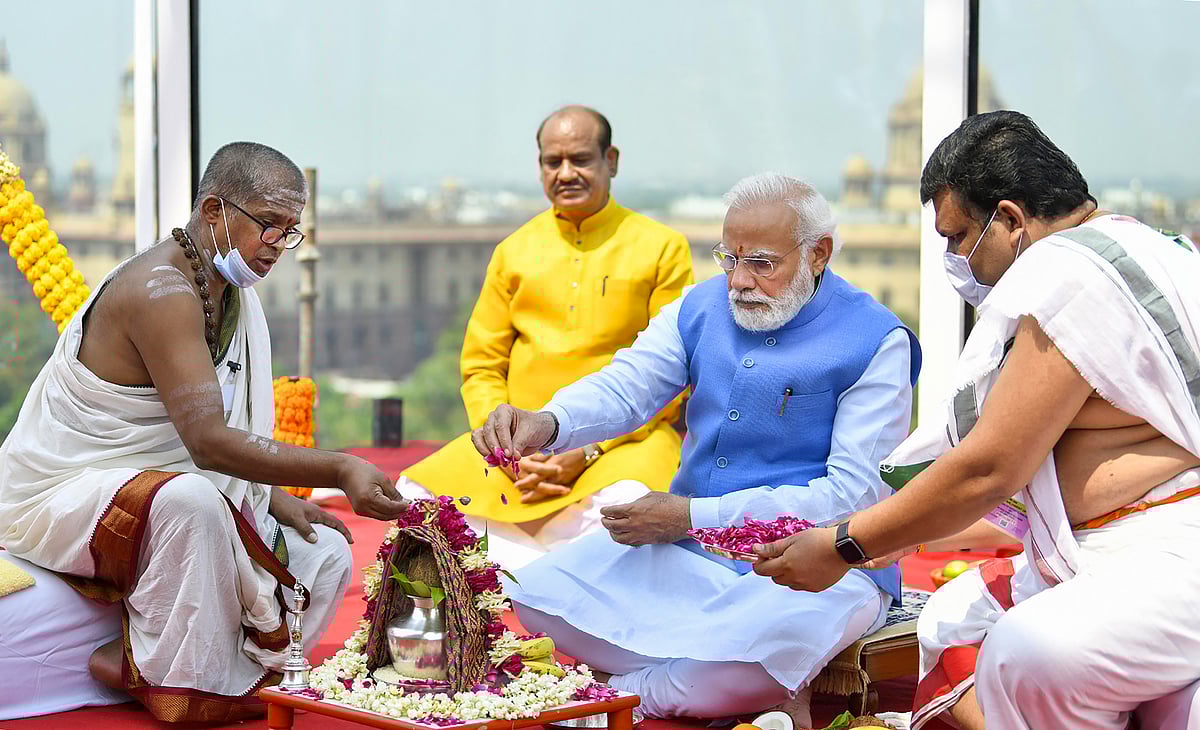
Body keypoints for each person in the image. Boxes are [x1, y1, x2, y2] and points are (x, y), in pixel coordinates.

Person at [747, 111, 1200, 730]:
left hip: (1169, 548)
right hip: (1118, 541)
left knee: (1029, 654)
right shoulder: (1146, 245)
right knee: (950, 616)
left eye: (958, 237)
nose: (955, 259)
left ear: (1011, 220)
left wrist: (845, 545)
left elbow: (989, 466)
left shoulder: (1070, 277)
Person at [471, 173, 922, 722]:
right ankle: (684, 683)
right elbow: (628, 386)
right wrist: (548, 422)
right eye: (728, 259)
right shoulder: (702, 306)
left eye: (761, 262)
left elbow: (852, 497)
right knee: (535, 596)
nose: (740, 282)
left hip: (814, 563)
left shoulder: (876, 340)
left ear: (819, 254)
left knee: (752, 663)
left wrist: (691, 517)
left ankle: (621, 695)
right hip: (687, 551)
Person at [0, 142, 408, 723]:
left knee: (327, 552)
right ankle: (182, 687)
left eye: (290, 232)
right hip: (61, 493)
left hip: (171, 482)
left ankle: (175, 666)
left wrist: (266, 497)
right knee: (190, 502)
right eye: (268, 224)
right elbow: (208, 443)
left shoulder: (232, 296)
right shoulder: (159, 290)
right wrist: (339, 468)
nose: (278, 246)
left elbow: (219, 436)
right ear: (215, 210)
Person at [401, 106, 692, 569]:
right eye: (552, 162)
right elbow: (482, 365)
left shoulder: (660, 248)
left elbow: (675, 374)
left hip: (623, 443)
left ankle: (520, 573)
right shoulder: (514, 251)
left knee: (628, 508)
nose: (566, 173)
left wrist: (588, 447)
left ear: (610, 160)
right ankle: (547, 573)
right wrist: (504, 442)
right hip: (517, 452)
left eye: (580, 159)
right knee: (413, 496)